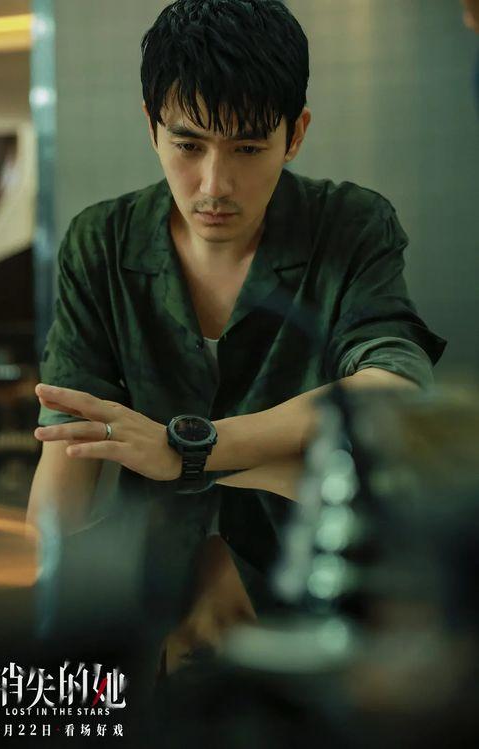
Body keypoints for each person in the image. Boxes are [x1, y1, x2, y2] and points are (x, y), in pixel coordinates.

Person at [28, 0, 445, 537]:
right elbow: (70, 444)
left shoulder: (347, 225)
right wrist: (49, 584)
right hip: (157, 569)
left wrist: (186, 450)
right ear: (151, 126)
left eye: (247, 148)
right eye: (188, 145)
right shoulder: (102, 242)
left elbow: (394, 385)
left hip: (310, 557)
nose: (214, 185)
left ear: (295, 135)